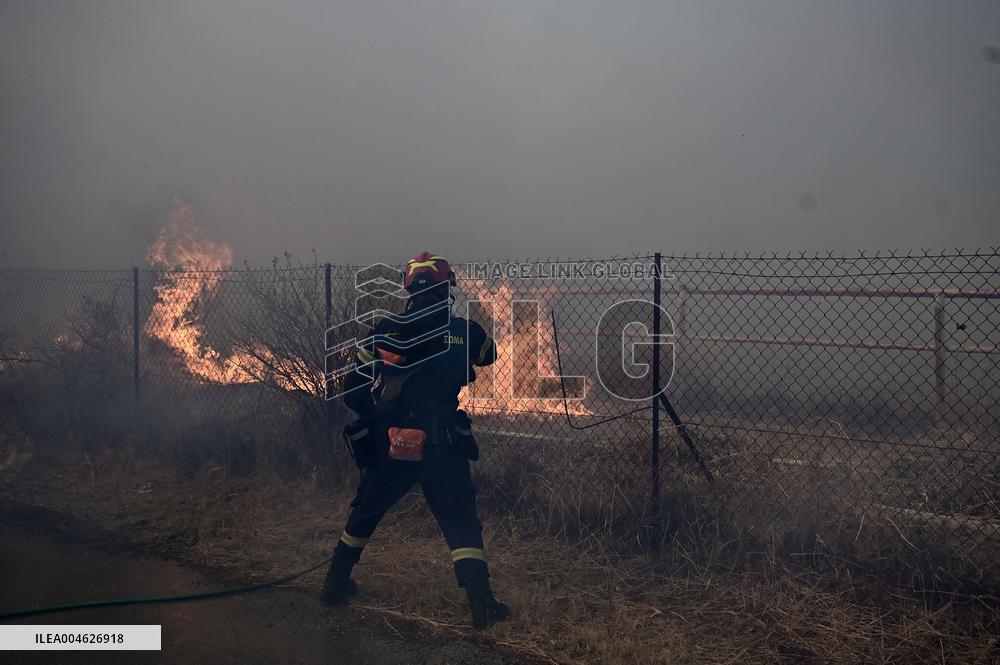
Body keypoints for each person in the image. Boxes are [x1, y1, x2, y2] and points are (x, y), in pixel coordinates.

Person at [321, 252, 509, 630]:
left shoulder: (383, 331)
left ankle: (334, 584)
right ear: (446, 288)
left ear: (409, 289)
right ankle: (481, 605)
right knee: (460, 522)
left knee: (366, 511)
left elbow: (352, 392)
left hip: (391, 447)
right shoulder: (465, 331)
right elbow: (489, 356)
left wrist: (380, 423)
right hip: (443, 446)